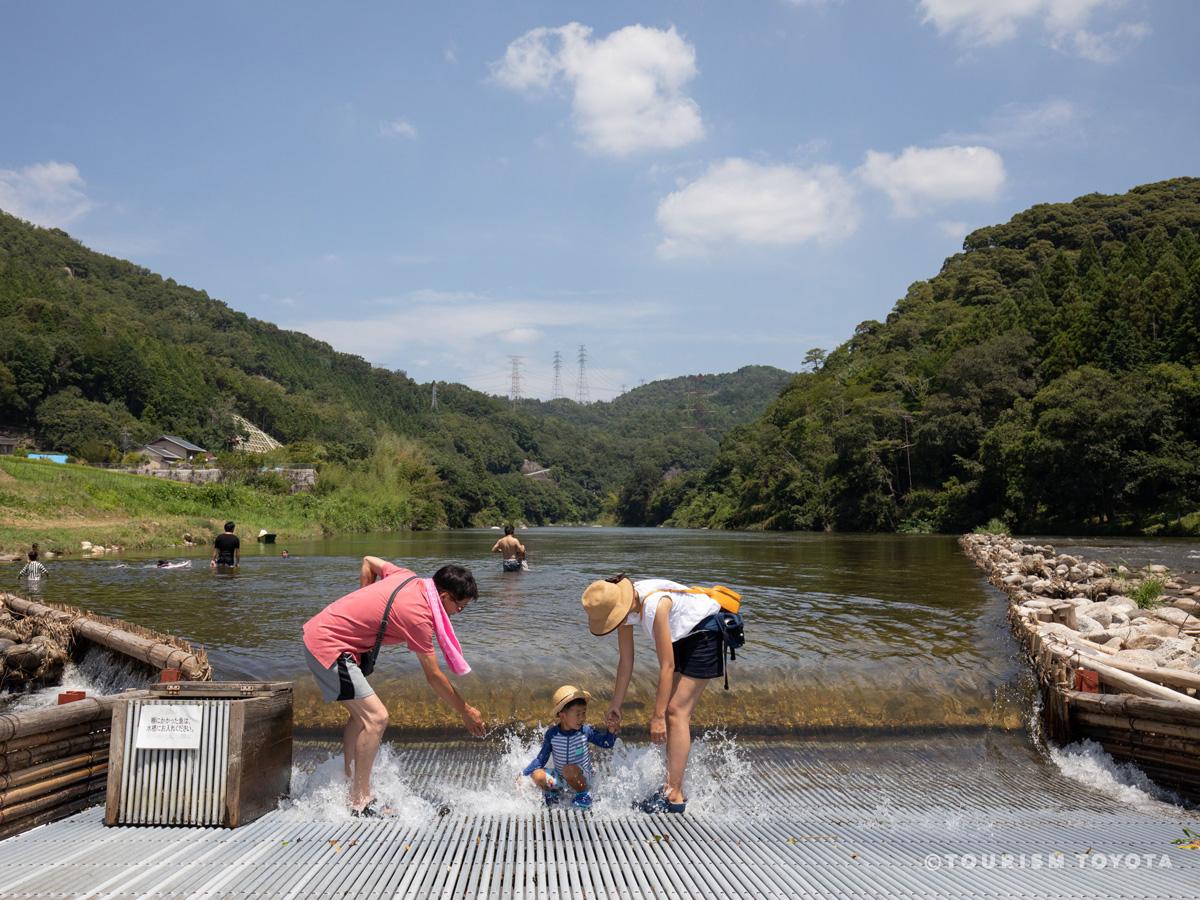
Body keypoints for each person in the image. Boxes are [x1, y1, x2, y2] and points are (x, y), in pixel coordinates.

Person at [302, 555, 485, 816]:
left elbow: (368, 561)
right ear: (444, 596)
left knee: (360, 718)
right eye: (461, 607)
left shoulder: (407, 577)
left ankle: (349, 783)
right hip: (328, 645)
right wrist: (465, 710)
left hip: (323, 636)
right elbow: (433, 676)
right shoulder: (418, 615)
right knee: (376, 718)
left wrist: (364, 600)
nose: (460, 613)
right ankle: (360, 801)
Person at [581, 575, 727, 815]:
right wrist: (615, 705)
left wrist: (657, 716)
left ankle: (674, 796)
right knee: (671, 711)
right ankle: (669, 786)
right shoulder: (627, 609)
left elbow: (666, 666)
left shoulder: (655, 606)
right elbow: (626, 662)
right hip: (683, 635)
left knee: (674, 712)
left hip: (705, 633)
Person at [520, 685, 617, 810]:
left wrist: (611, 730)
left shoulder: (585, 731)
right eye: (578, 714)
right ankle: (554, 793)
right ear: (562, 716)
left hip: (582, 779)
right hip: (562, 779)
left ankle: (583, 795)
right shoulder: (552, 735)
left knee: (569, 769)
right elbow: (540, 760)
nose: (582, 718)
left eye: (584, 713)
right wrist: (523, 774)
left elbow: (606, 743)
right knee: (537, 774)